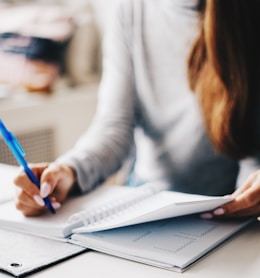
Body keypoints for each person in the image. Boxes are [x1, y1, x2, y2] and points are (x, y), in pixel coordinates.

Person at [14, 0, 260, 220]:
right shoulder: (131, 10)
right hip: (146, 205)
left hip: (229, 215)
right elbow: (113, 128)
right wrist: (67, 171)